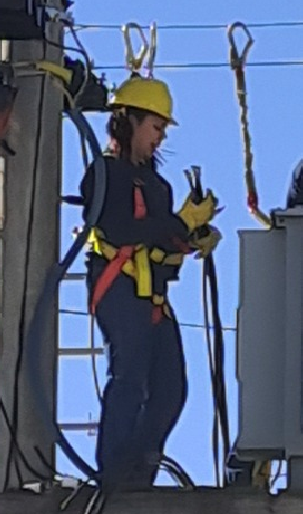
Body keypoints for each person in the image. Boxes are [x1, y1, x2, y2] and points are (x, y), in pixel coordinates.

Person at [81, 75, 220, 491]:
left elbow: (160, 242)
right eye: (154, 127)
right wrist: (179, 223)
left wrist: (190, 238)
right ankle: (113, 472)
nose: (159, 139)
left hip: (151, 293)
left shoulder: (158, 186)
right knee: (129, 378)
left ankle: (138, 471)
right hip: (117, 285)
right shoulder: (103, 174)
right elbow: (119, 229)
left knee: (170, 389)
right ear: (127, 123)